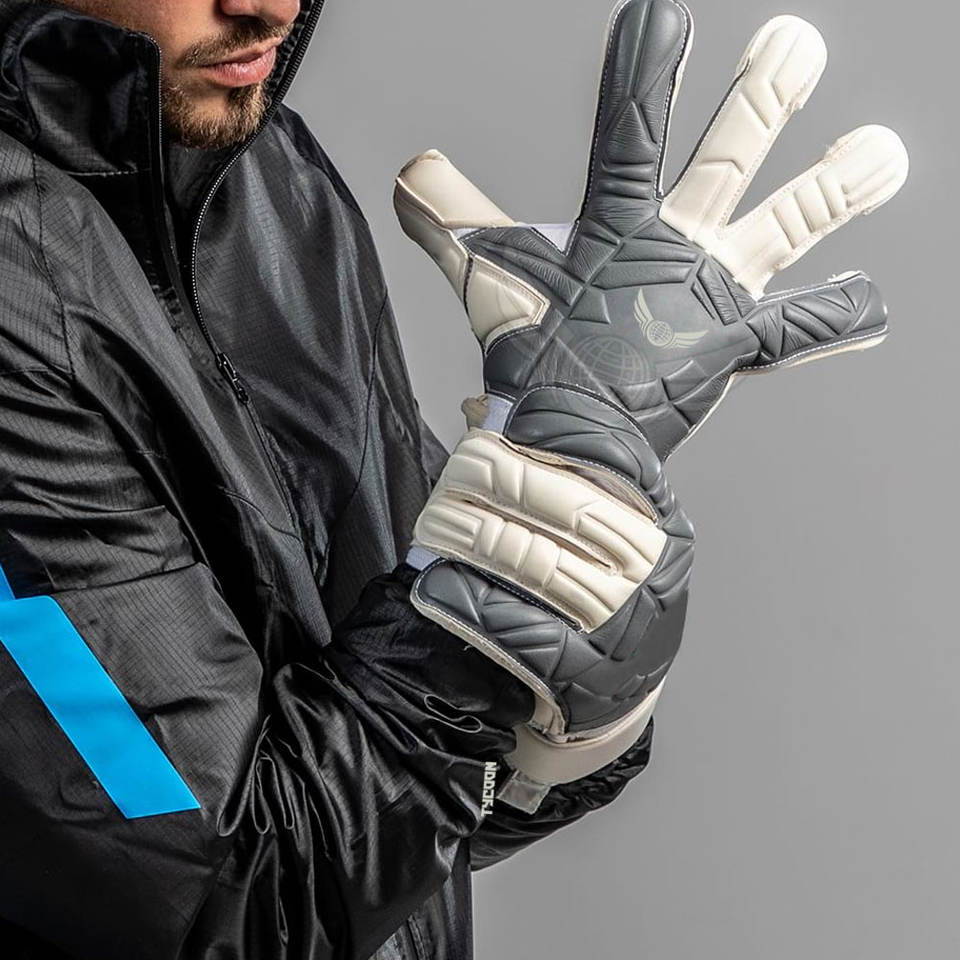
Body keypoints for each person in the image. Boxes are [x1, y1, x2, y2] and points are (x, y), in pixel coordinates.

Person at [0, 1, 906, 958]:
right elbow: (237, 908)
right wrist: (479, 613)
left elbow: (386, 827)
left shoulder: (267, 178)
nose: (272, 5)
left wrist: (562, 703)